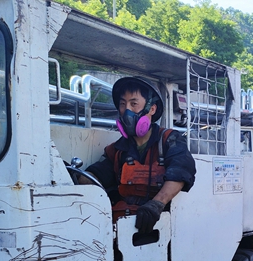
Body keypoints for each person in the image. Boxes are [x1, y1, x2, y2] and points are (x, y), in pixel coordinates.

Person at [82, 76, 196, 233]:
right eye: (123, 104)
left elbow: (181, 172)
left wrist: (156, 204)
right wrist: (72, 175)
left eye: (133, 104)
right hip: (123, 230)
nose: (126, 111)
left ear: (152, 109)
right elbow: (97, 175)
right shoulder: (117, 150)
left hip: (161, 230)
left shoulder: (169, 140)